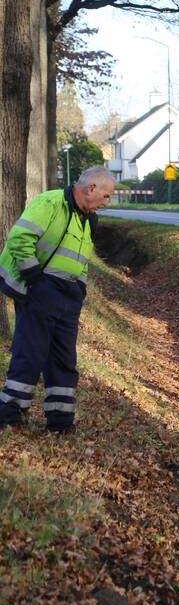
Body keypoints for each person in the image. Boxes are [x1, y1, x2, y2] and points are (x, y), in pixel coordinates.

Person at [0, 166, 114, 432]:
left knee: (63, 359)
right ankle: (9, 415)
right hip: (41, 288)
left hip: (68, 295)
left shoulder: (88, 218)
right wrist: (34, 279)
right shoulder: (50, 202)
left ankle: (60, 423)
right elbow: (20, 239)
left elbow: (81, 258)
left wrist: (80, 290)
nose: (107, 203)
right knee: (30, 353)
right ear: (91, 189)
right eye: (106, 196)